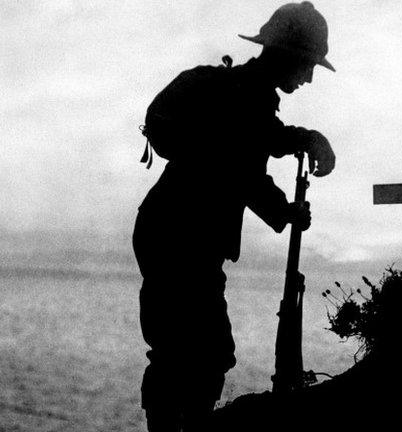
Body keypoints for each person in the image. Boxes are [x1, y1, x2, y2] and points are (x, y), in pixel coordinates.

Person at [133, 2, 336, 430]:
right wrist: (288, 205)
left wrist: (302, 147)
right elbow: (245, 167)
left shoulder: (244, 97)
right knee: (195, 355)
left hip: (172, 233)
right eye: (308, 64)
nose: (309, 77)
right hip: (179, 238)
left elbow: (254, 150)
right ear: (287, 56)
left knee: (193, 353)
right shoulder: (246, 99)